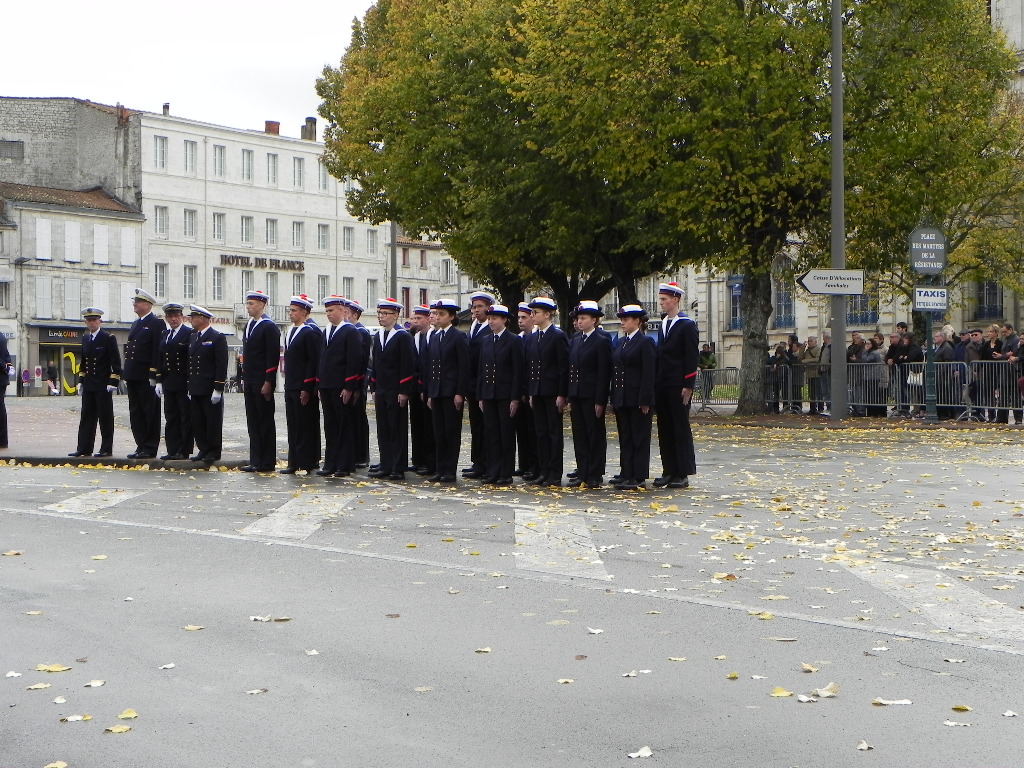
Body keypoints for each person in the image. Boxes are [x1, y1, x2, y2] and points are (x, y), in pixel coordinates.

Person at [653, 282, 698, 488]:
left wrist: (688, 384)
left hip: (678, 384)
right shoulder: (664, 323)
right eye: (661, 299)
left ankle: (682, 472)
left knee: (680, 427)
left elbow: (690, 356)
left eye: (664, 299)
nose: (661, 303)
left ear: (676, 300)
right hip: (663, 384)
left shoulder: (686, 325)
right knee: (665, 427)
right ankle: (668, 469)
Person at [317, 295, 365, 478]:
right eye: (327, 311)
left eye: (332, 310)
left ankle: (345, 464)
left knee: (344, 425)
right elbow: (321, 359)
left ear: (343, 311)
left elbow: (354, 360)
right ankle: (331, 462)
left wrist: (349, 385)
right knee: (330, 425)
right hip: (328, 385)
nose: (329, 314)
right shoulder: (326, 331)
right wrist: (320, 384)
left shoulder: (350, 331)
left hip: (341, 385)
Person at [476, 304, 525, 486]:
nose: (491, 322)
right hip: (489, 393)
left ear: (504, 320)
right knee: (491, 434)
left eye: (495, 318)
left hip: (505, 394)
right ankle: (493, 470)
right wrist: (481, 395)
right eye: (489, 318)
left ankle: (505, 472)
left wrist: (515, 398)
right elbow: (482, 369)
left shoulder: (513, 340)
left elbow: (517, 371)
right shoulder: (486, 340)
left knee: (505, 434)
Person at [368, 298, 416, 481]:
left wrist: (404, 390)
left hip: (396, 389)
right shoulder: (379, 335)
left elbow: (407, 365)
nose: (381, 317)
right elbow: (376, 364)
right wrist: (373, 386)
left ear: (396, 315)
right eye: (379, 313)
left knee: (397, 428)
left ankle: (397, 466)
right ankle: (386, 464)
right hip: (382, 389)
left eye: (385, 314)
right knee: (383, 428)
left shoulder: (402, 336)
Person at [566, 300, 611, 489]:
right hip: (577, 393)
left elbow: (603, 372)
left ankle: (595, 473)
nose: (580, 321)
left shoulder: (601, 340)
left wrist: (600, 400)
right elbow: (571, 368)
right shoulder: (576, 339)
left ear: (594, 320)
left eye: (584, 318)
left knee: (595, 435)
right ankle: (582, 470)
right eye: (579, 318)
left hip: (592, 394)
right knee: (580, 435)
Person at [611, 305, 656, 491]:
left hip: (638, 398)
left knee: (639, 437)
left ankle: (638, 475)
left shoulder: (645, 342)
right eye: (621, 319)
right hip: (622, 397)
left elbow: (649, 372)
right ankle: (626, 472)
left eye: (626, 319)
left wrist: (645, 399)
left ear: (637, 321)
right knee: (626, 437)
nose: (623, 322)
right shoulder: (621, 342)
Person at [526, 296, 569, 487]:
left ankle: (554, 472)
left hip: (552, 391)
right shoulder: (534, 336)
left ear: (547, 314)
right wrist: (531, 392)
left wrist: (562, 393)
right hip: (538, 391)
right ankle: (543, 470)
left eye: (536, 312)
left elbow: (562, 367)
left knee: (553, 432)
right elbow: (531, 366)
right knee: (540, 432)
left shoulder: (557, 335)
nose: (533, 315)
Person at [425, 298, 469, 484]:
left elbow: (463, 366)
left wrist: (460, 392)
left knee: (451, 431)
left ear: (451, 317)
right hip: (437, 391)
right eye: (435, 313)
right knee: (438, 432)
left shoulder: (458, 336)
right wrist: (429, 392)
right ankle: (440, 467)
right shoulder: (435, 336)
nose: (437, 317)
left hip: (451, 391)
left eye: (441, 314)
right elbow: (431, 367)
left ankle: (450, 470)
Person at [69, 307, 121, 458]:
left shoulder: (108, 338)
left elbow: (116, 362)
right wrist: (81, 381)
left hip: (103, 385)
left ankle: (106, 448)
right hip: (89, 384)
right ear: (86, 322)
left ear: (100, 321)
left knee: (105, 418)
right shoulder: (86, 338)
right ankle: (84, 448)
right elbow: (84, 363)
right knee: (86, 417)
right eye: (89, 320)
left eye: (94, 320)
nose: (92, 323)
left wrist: (113, 381)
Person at [280, 295, 322, 474]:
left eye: (294, 310)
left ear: (304, 312)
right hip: (291, 384)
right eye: (290, 310)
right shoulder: (291, 331)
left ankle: (307, 461)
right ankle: (294, 461)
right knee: (293, 424)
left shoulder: (309, 332)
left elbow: (312, 362)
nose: (290, 313)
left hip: (302, 386)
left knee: (305, 425)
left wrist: (307, 387)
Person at [240, 289, 281, 473]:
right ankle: (255, 459)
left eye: (251, 304)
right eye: (247, 303)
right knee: (253, 421)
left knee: (264, 421)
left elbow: (272, 357)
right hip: (250, 380)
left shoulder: (268, 326)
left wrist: (268, 381)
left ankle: (267, 461)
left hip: (261, 381)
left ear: (262, 305)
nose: (248, 307)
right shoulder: (249, 325)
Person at [123, 288, 165, 459]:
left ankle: (150, 447)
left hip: (146, 376)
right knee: (136, 412)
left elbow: (157, 351)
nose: (135, 304)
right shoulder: (136, 323)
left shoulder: (156, 323)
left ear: (147, 304)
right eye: (135, 301)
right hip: (134, 374)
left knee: (150, 412)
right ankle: (140, 445)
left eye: (138, 301)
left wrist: (154, 375)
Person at [186, 305, 228, 464]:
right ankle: (203, 448)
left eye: (193, 317)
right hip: (196, 387)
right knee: (198, 421)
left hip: (210, 388)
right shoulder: (193, 337)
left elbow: (221, 364)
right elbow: (190, 363)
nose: (191, 320)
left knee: (212, 421)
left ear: (202, 318)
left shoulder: (216, 337)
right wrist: (189, 385)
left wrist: (218, 388)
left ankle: (213, 450)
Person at [155, 302, 194, 460]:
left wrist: (191, 382)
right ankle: (172, 449)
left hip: (183, 381)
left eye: (176, 316)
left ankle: (184, 450)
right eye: (170, 316)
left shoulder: (189, 333)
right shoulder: (165, 334)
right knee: (171, 416)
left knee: (185, 416)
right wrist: (158, 380)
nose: (173, 319)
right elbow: (161, 359)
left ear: (182, 317)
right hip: (169, 381)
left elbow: (192, 359)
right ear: (166, 318)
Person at [463, 290, 495, 479]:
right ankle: (477, 462)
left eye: (479, 307)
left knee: (486, 426)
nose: (475, 310)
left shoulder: (488, 328)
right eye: (474, 307)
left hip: (484, 382)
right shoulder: (473, 327)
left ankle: (487, 463)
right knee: (476, 425)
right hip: (472, 383)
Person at [344, 298, 373, 468]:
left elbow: (361, 361)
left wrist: (357, 384)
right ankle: (354, 453)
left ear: (355, 314)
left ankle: (361, 455)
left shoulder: (360, 332)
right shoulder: (350, 330)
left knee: (358, 419)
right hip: (354, 382)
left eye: (347, 312)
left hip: (358, 383)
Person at [408, 305, 436, 476]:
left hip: (427, 387)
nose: (415, 322)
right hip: (415, 386)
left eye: (418, 318)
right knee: (417, 424)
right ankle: (418, 459)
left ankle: (429, 460)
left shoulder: (432, 336)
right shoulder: (415, 337)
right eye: (413, 318)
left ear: (427, 319)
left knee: (429, 426)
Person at [515, 302, 538, 479]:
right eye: (519, 318)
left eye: (524, 317)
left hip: (533, 390)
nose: (521, 321)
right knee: (521, 430)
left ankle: (534, 464)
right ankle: (524, 464)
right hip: (521, 390)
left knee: (534, 430)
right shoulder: (519, 338)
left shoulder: (537, 337)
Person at [799, 337, 821, 414]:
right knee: (811, 392)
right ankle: (812, 408)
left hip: (816, 373)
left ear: (815, 342)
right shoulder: (807, 351)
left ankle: (820, 408)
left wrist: (806, 361)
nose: (809, 343)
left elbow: (817, 359)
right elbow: (800, 358)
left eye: (811, 341)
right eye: (808, 341)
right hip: (809, 374)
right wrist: (802, 349)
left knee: (817, 392)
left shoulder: (818, 349)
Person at [0, 332, 11, 447]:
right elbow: (7, 357)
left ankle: (2, 441)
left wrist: (3, 367)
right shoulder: (2, 336)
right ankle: (3, 441)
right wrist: (7, 368)